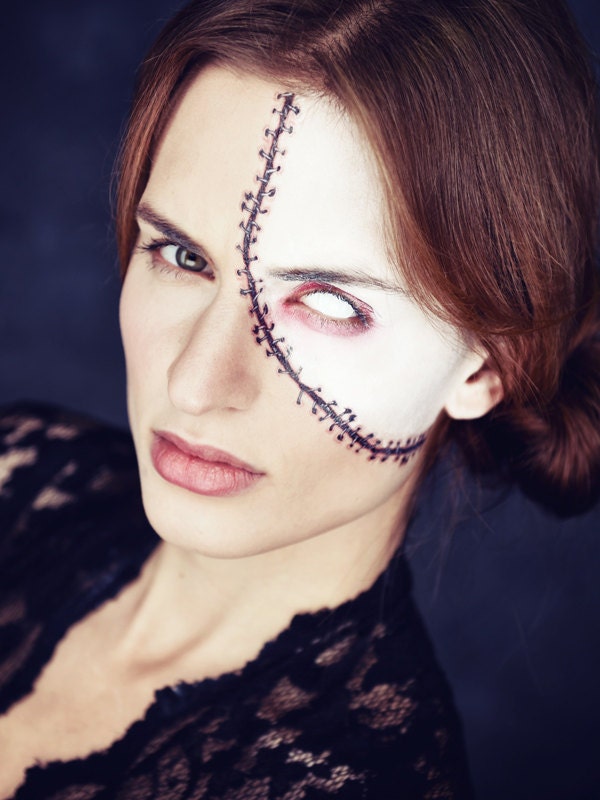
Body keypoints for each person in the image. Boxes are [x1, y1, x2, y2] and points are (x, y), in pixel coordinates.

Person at [1, 0, 599, 797]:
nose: (194, 383)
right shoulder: (20, 470)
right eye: (181, 255)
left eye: (329, 304)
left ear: (486, 367)